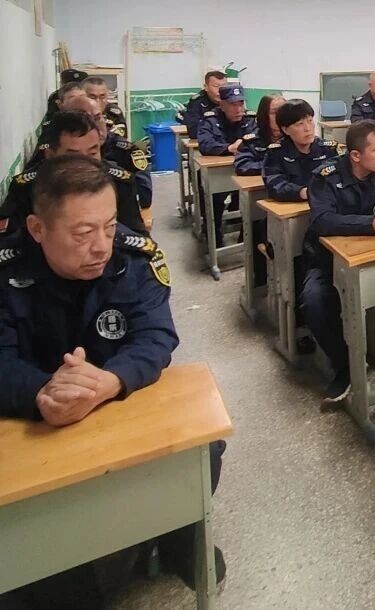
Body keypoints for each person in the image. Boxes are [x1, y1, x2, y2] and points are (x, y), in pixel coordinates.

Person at [0, 155, 225, 607]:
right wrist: (42, 392)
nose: (101, 246)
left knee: (206, 448)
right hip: (35, 423)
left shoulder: (133, 256)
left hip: (117, 404)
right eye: (83, 233)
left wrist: (109, 381)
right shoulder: (7, 272)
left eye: (107, 226)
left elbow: (156, 336)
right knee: (49, 565)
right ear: (38, 228)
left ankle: (170, 532)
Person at [301, 121, 375, 403]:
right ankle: (345, 364)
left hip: (373, 258)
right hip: (327, 260)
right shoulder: (326, 177)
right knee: (313, 302)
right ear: (356, 155)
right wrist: (370, 223)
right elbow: (322, 220)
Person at [2, 111, 146, 237]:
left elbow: (135, 237)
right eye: (74, 156)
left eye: (93, 153)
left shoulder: (120, 182)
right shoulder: (27, 187)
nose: (85, 163)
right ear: (50, 155)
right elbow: (12, 240)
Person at [197, 84, 257, 246]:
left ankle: (246, 237)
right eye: (232, 104)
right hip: (218, 171)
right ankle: (213, 232)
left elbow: (258, 143)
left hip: (244, 169)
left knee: (255, 195)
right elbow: (205, 144)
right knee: (210, 192)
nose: (238, 109)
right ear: (222, 105)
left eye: (241, 104)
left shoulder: (250, 119)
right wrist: (229, 148)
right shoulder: (211, 120)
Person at [262, 99, 342, 201]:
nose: (307, 128)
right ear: (285, 129)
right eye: (300, 124)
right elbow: (275, 184)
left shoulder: (327, 149)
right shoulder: (276, 153)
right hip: (293, 205)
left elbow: (341, 179)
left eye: (310, 121)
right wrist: (302, 192)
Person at [234, 94, 285, 176]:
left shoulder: (295, 138)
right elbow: (242, 166)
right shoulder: (252, 141)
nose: (280, 116)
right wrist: (273, 166)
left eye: (284, 112)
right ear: (264, 116)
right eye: (275, 112)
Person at [177, 70, 228, 135]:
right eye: (216, 86)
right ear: (206, 87)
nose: (220, 90)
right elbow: (194, 130)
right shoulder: (197, 102)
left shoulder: (231, 100)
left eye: (224, 86)